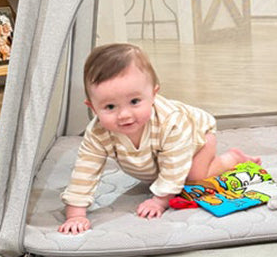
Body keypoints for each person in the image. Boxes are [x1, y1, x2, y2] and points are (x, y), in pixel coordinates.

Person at [59, 43, 261, 234]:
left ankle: (232, 158)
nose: (125, 115)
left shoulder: (170, 122)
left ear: (153, 94)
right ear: (93, 108)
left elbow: (174, 164)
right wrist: (75, 214)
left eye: (135, 101)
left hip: (195, 139)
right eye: (110, 107)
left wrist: (160, 200)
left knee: (193, 178)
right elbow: (85, 171)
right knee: (164, 174)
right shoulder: (97, 133)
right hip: (161, 156)